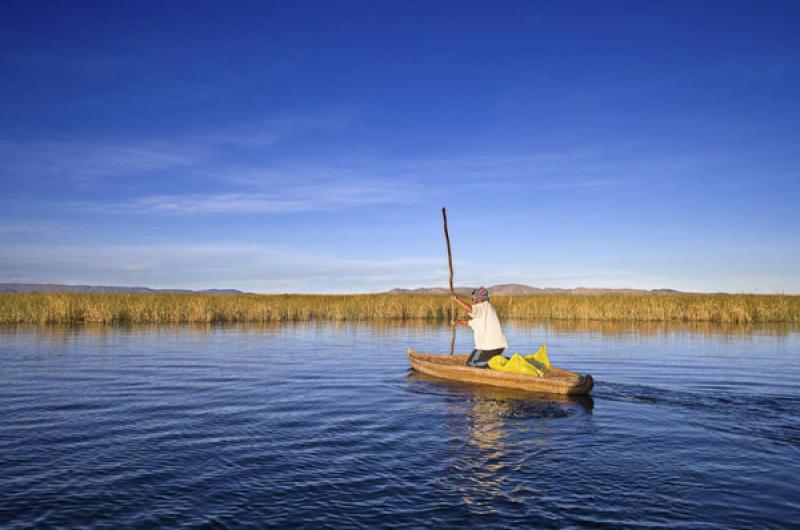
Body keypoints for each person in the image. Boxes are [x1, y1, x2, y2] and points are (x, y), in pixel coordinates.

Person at [451, 286, 509, 368]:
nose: (473, 300)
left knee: (470, 365)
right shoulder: (485, 310)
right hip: (498, 347)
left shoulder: (483, 306)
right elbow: (471, 323)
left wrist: (456, 300)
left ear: (479, 298)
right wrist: (458, 321)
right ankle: (494, 362)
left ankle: (501, 362)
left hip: (488, 347)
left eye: (474, 298)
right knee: (477, 362)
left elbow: (470, 309)